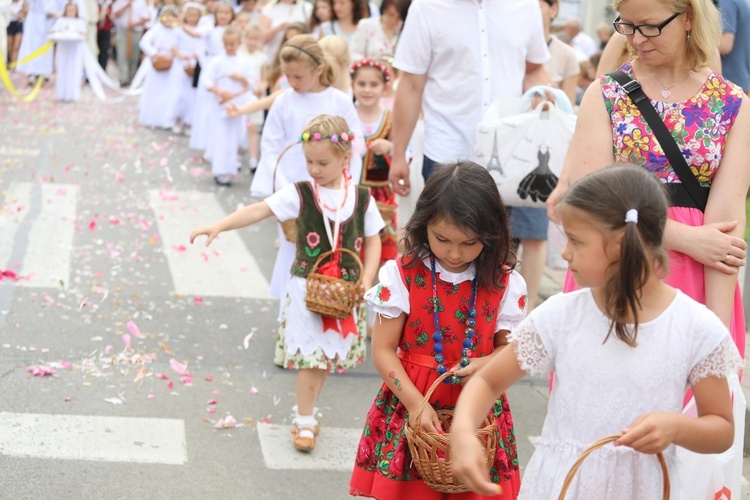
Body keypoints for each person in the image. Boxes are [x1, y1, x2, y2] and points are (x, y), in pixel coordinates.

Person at [451, 165, 741, 498]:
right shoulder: (561, 316)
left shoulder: (695, 328)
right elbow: (489, 380)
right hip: (562, 487)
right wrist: (463, 429)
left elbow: (721, 427)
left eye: (575, 240)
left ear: (619, 244)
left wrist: (676, 427)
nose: (564, 253)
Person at [546, 0, 750, 357]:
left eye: (650, 26)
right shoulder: (606, 94)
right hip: (614, 265)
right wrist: (685, 238)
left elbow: (725, 231)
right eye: (627, 25)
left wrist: (720, 340)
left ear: (688, 17)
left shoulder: (733, 103)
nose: (637, 39)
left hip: (696, 278)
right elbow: (589, 204)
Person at [191, 114, 384, 451]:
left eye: (323, 162)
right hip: (307, 290)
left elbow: (373, 240)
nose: (314, 169)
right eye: (309, 161)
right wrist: (219, 225)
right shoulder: (301, 194)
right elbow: (259, 209)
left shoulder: (362, 198)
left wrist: (367, 278)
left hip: (345, 293)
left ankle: (307, 413)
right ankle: (304, 420)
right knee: (312, 360)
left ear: (345, 157)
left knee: (324, 359)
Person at [349, 161, 527, 500]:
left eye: (470, 242)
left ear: (491, 233)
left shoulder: (505, 282)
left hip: (479, 408)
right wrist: (416, 405)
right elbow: (383, 349)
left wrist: (484, 362)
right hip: (411, 402)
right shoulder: (400, 275)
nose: (455, 253)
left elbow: (510, 351)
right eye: (442, 239)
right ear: (424, 224)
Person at [247, 34, 364, 305]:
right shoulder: (284, 101)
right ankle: (289, 312)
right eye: (287, 75)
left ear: (319, 70)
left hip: (333, 190)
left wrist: (347, 186)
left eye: (298, 76)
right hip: (294, 189)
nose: (291, 83)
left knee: (328, 252)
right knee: (294, 250)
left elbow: (356, 145)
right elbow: (271, 147)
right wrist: (286, 188)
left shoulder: (339, 101)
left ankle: (324, 307)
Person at [388, 0, 550, 195]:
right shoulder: (425, 7)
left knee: (498, 226)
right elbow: (411, 86)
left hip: (506, 152)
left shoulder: (526, 6)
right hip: (444, 150)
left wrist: (542, 92)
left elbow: (533, 68)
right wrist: (399, 156)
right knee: (443, 225)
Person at [351, 58, 396, 265]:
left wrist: (390, 148)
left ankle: (377, 287)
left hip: (380, 193)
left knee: (380, 243)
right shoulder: (347, 115)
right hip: (351, 189)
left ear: (385, 88)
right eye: (361, 84)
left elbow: (407, 150)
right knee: (351, 240)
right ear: (352, 85)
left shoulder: (390, 118)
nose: (367, 90)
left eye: (373, 84)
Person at [201, 26, 255, 186]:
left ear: (239, 43)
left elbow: (252, 83)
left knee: (235, 138)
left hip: (237, 105)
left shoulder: (245, 62)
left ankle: (230, 166)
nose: (229, 47)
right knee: (221, 137)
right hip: (220, 105)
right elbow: (206, 80)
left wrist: (242, 79)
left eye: (232, 44)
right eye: (226, 44)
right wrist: (218, 90)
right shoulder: (216, 60)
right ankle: (220, 170)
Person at [188, 1, 233, 152]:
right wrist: (181, 23)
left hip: (228, 70)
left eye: (227, 13)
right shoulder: (209, 28)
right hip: (211, 68)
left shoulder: (233, 31)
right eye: (221, 12)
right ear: (216, 14)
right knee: (208, 105)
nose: (223, 16)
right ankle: (207, 141)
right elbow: (196, 33)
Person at [137, 5, 181, 128]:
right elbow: (144, 43)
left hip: (172, 64)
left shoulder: (177, 31)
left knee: (169, 92)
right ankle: (152, 118)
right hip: (157, 63)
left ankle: (166, 119)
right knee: (154, 91)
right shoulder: (157, 29)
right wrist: (155, 53)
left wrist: (175, 55)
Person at [171, 1, 204, 135]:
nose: (192, 18)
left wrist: (195, 55)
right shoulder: (178, 30)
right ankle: (176, 119)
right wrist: (181, 55)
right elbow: (173, 47)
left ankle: (188, 121)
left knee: (192, 95)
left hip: (194, 63)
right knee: (180, 93)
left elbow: (202, 47)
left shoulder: (199, 31)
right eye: (190, 15)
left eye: (195, 15)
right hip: (180, 63)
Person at [238, 22, 267, 172]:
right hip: (241, 95)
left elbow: (265, 77)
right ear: (244, 38)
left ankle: (253, 159)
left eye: (255, 39)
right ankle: (236, 156)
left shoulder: (262, 57)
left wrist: (262, 87)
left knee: (253, 127)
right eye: (249, 38)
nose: (252, 42)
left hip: (255, 96)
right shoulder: (238, 55)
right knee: (239, 126)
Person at [540, 0, 578, 106]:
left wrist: (556, 101)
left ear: (553, 9)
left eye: (537, 6)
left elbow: (568, 108)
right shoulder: (509, 51)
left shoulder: (567, 54)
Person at [50, 2, 86, 101]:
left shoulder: (79, 22)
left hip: (74, 50)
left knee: (73, 70)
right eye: (69, 10)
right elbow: (53, 31)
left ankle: (72, 94)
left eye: (73, 10)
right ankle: (62, 93)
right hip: (63, 49)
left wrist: (81, 33)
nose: (70, 12)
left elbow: (84, 34)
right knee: (62, 69)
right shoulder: (61, 21)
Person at [111, 0, 151, 86]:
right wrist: (126, 5)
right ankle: (123, 79)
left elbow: (145, 18)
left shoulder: (141, 2)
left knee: (134, 55)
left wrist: (134, 24)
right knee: (122, 54)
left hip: (135, 31)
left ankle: (131, 77)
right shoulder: (120, 1)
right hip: (122, 30)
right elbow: (115, 15)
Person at [15, 0, 56, 84]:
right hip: (34, 20)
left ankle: (43, 73)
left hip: (47, 22)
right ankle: (31, 73)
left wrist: (53, 13)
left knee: (45, 50)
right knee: (31, 47)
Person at [718, 0, 750, 93]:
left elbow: (725, 46)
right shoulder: (741, 2)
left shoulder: (728, 2)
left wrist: (699, 42)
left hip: (729, 82)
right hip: (741, 78)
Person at [6, 0, 28, 67]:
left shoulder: (23, 2)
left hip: (18, 24)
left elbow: (24, 14)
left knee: (16, 47)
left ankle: (13, 66)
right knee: (9, 47)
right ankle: (10, 62)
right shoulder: (9, 3)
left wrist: (18, 14)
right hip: (10, 24)